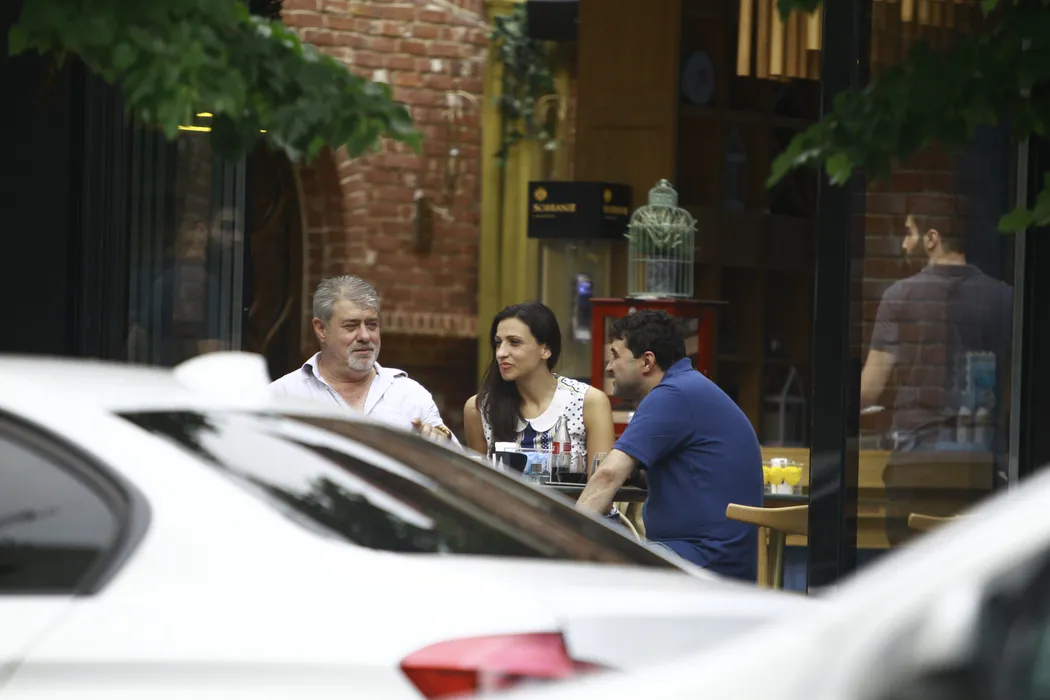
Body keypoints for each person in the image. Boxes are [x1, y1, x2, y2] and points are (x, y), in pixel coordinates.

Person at [861, 203, 1012, 544]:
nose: (903, 244)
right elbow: (1015, 389)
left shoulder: (899, 297)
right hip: (981, 462)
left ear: (931, 239)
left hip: (916, 464)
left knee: (909, 562)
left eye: (908, 233)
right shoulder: (1005, 298)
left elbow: (869, 390)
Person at [576, 310, 763, 581]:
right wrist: (637, 476)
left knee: (589, 575)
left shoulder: (672, 395)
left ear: (647, 361)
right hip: (713, 557)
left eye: (615, 355)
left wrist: (563, 540)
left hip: (701, 560)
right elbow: (688, 477)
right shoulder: (688, 387)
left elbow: (607, 475)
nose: (608, 367)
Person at [270, 275, 456, 444]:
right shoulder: (282, 396)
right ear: (321, 329)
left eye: (372, 325)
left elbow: (455, 460)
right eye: (351, 326)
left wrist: (441, 444)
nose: (365, 336)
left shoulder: (409, 395)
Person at [463, 301, 615, 476]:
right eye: (498, 343)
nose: (501, 353)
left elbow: (602, 482)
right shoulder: (480, 408)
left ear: (546, 349)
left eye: (514, 342)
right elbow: (478, 483)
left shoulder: (588, 401)